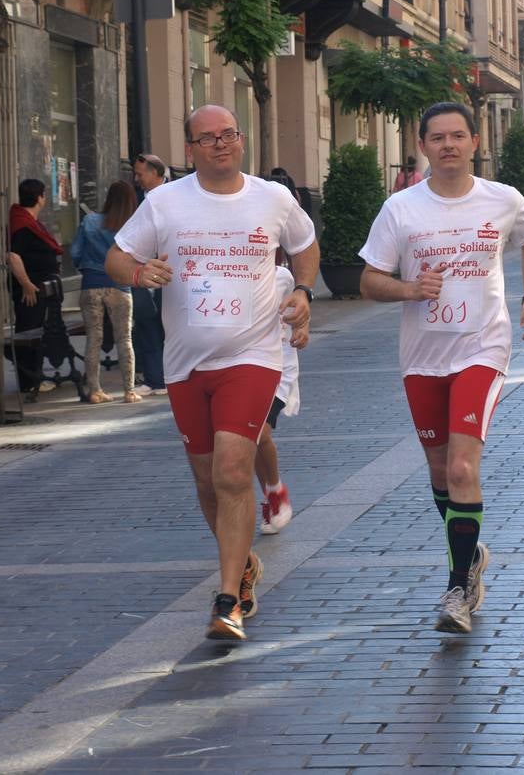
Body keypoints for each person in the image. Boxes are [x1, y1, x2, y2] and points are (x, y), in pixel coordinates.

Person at [107, 104, 320, 643]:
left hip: (250, 356)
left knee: (230, 471)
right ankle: (243, 561)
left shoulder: (272, 198)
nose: (221, 145)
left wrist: (302, 290)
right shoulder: (165, 202)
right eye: (208, 138)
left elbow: (305, 246)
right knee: (206, 478)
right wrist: (137, 270)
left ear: (241, 140)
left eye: (229, 135)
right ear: (190, 150)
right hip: (185, 364)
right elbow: (116, 256)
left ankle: (228, 601)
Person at [358, 101, 524, 635]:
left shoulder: (503, 199)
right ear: (422, 145)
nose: (448, 146)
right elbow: (369, 280)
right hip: (422, 356)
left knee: (464, 468)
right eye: (437, 138)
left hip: (482, 348)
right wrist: (409, 288)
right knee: (441, 472)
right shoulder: (401, 209)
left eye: (458, 136)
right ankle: (471, 552)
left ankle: (459, 586)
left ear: (474, 142)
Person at [72, 180, 140, 404]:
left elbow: (75, 252)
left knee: (93, 338)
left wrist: (88, 267)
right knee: (125, 339)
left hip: (91, 285)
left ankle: (94, 390)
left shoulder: (90, 221)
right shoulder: (132, 224)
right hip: (120, 286)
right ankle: (129, 391)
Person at [256, 265, 300, 535]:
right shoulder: (231, 272)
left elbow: (298, 311)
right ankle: (269, 496)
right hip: (246, 365)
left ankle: (276, 489)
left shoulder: (282, 277)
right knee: (247, 438)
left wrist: (302, 329)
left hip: (279, 366)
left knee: (259, 431)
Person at [7, 178, 62, 390]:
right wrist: (27, 284)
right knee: (28, 332)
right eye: (44, 194)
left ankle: (35, 376)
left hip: (39, 286)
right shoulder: (22, 224)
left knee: (37, 331)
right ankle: (29, 381)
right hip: (30, 289)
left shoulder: (29, 222)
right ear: (39, 198)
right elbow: (13, 255)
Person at [130, 153, 169, 396]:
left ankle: (167, 376)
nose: (137, 179)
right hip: (143, 271)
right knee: (146, 324)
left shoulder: (175, 196)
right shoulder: (137, 199)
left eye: (140, 174)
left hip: (168, 272)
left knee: (169, 326)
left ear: (155, 173)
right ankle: (154, 377)